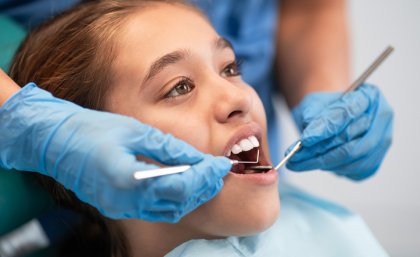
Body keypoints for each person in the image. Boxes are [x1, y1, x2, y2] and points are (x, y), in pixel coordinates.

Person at [7, 1, 389, 256]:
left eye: (230, 69)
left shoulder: (316, 221)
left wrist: (328, 93)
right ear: (92, 149)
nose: (239, 98)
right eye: (180, 87)